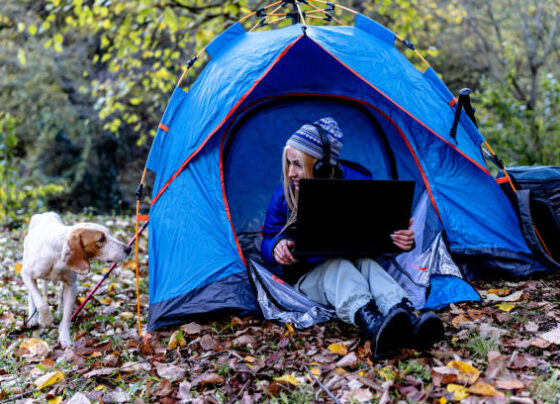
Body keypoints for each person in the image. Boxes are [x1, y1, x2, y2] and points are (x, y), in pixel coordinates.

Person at [261, 117, 444, 358]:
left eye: (298, 164)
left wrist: (398, 242)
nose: (291, 172)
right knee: (338, 266)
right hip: (307, 277)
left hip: (356, 264)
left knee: (368, 264)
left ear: (319, 166)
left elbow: (375, 238)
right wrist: (276, 246)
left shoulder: (356, 182)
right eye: (288, 164)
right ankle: (372, 323)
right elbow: (266, 240)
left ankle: (405, 315)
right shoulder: (283, 196)